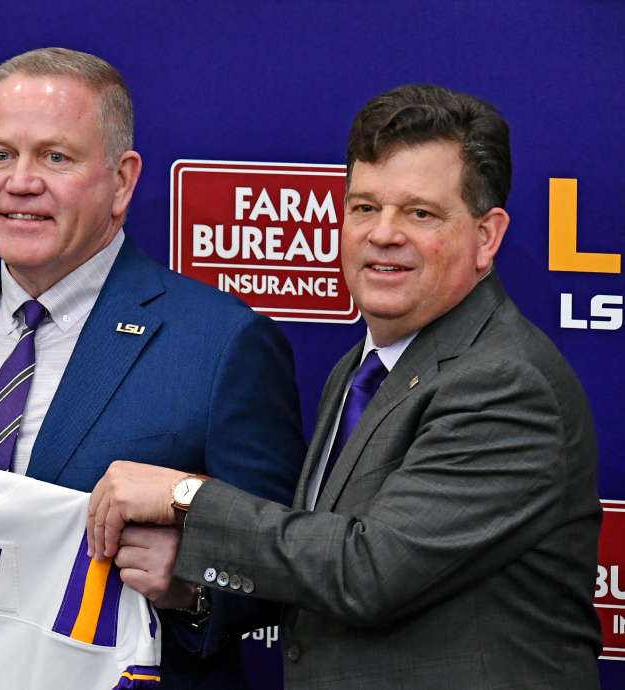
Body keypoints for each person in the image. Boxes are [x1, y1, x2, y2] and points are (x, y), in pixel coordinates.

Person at [0, 47, 305, 689]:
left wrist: (193, 587)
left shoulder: (221, 343)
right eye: (0, 155)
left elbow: (284, 567)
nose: (21, 181)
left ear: (123, 181)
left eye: (55, 157)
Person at [87, 84, 603, 689]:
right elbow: (322, 575)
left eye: (420, 213)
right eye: (364, 207)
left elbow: (368, 570)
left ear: (487, 237)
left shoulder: (506, 382)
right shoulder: (364, 366)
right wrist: (191, 587)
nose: (383, 234)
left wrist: (185, 498)